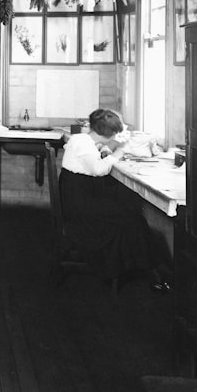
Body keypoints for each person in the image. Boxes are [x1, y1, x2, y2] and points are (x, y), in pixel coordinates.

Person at [59, 108, 169, 291]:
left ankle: (139, 267)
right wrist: (117, 154)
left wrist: (104, 150)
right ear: (110, 133)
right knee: (133, 219)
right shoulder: (83, 143)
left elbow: (89, 160)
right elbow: (98, 170)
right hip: (81, 210)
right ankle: (147, 271)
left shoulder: (82, 139)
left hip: (78, 200)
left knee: (129, 214)